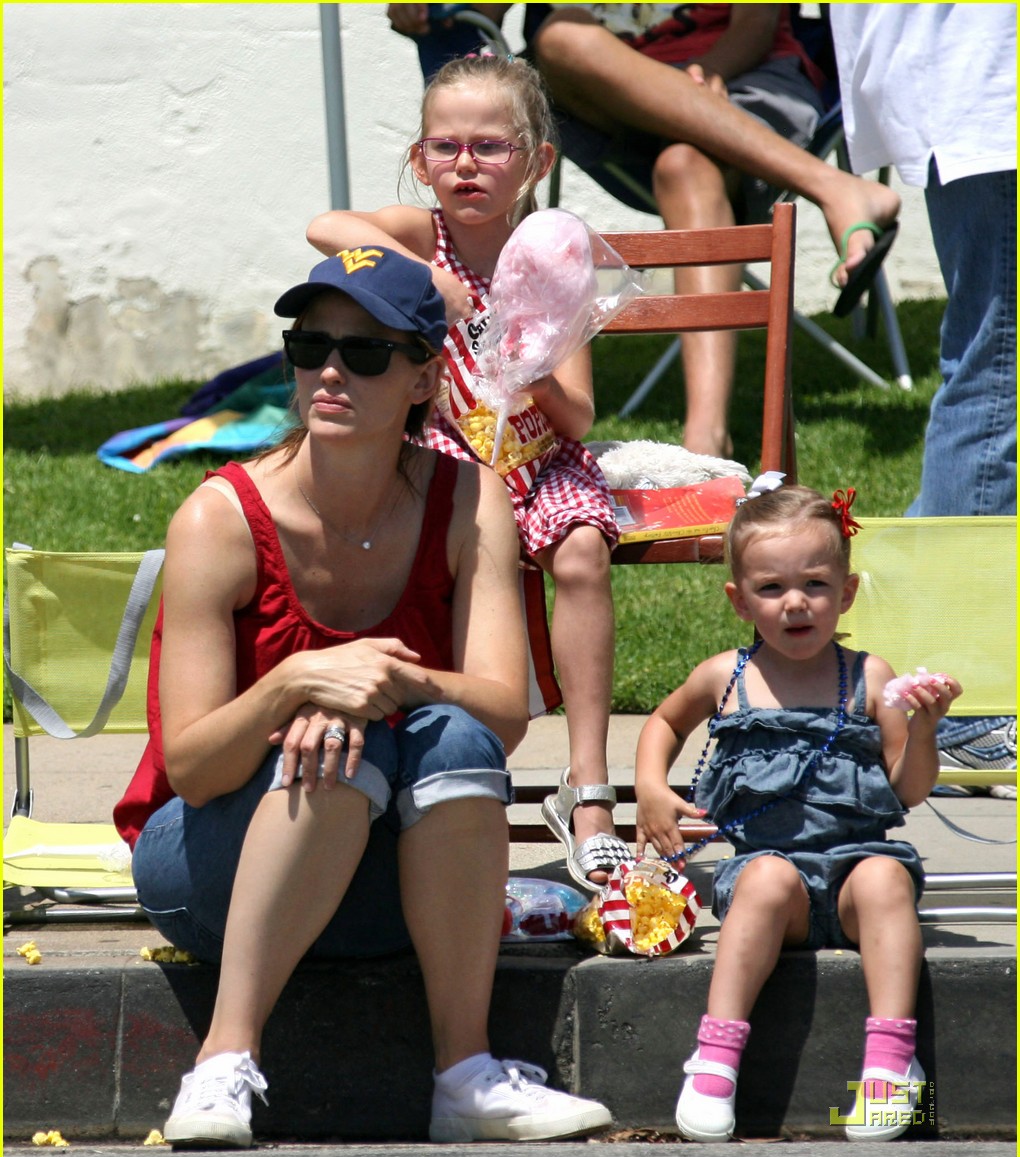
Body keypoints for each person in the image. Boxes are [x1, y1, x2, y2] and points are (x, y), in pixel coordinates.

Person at [115, 246, 614, 1147]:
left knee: (445, 737)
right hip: (211, 876)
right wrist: (294, 685)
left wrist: (394, 678)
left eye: (367, 352)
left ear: (424, 376)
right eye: (309, 348)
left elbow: (503, 711)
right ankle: (223, 1060)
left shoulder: (469, 500)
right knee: (342, 742)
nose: (331, 371)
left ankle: (464, 1075)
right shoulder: (219, 518)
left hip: (386, 883)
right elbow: (190, 769)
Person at [306, 54, 629, 892]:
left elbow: (580, 420)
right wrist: (433, 281)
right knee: (435, 524)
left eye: (490, 147)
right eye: (444, 147)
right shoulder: (421, 236)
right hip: (447, 459)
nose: (465, 164)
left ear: (537, 160)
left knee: (585, 550)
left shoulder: (556, 256)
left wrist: (535, 366)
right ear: (420, 161)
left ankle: (589, 790)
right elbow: (326, 228)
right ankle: (432, 764)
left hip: (539, 455)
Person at [634, 482, 961, 1142]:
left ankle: (893, 1061)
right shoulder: (724, 675)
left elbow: (908, 789)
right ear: (739, 599)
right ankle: (716, 1057)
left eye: (814, 584)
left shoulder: (869, 678)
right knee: (765, 878)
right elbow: (664, 722)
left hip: (851, 879)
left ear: (846, 592)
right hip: (771, 884)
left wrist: (922, 731)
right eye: (771, 588)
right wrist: (648, 786)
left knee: (884, 877)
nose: (795, 604)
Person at [528, 3, 901, 455]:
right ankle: (834, 188)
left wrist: (705, 75)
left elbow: (756, 24)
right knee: (562, 36)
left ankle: (707, 439)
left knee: (684, 164)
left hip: (745, 80)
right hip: (617, 104)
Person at [829, 4, 1016, 794]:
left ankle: (922, 646)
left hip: (972, 87)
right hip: (986, 89)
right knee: (995, 361)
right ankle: (956, 697)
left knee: (992, 357)